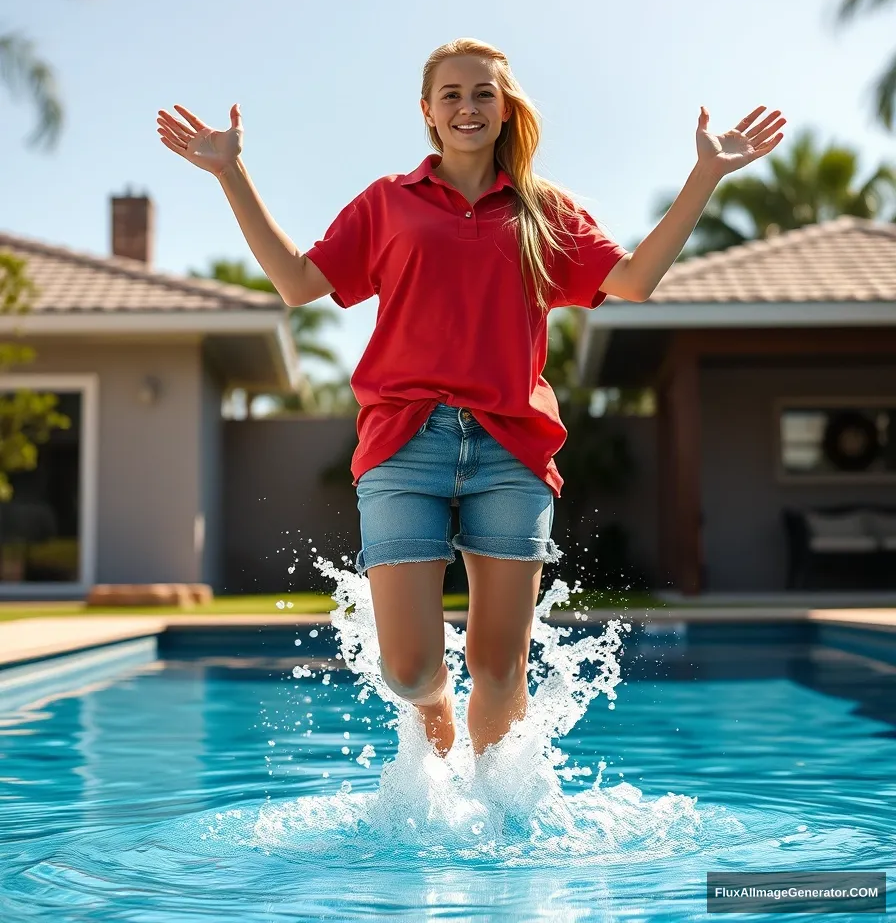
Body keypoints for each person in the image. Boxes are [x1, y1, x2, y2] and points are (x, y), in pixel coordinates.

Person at [157, 38, 785, 759]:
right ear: (427, 111)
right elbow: (298, 283)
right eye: (451, 94)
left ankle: (492, 809)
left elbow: (636, 281)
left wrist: (705, 173)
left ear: (505, 106)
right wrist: (230, 171)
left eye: (483, 92)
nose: (467, 106)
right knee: (411, 669)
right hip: (402, 441)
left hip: (511, 447)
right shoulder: (388, 202)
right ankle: (436, 739)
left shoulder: (545, 210)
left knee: (497, 668)